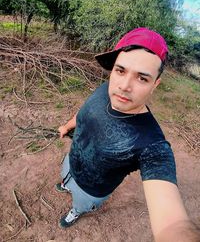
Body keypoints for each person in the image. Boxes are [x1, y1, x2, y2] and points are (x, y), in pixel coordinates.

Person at [56, 27, 200, 241]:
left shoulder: (152, 145)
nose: (124, 86)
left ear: (155, 84)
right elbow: (85, 111)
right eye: (120, 71)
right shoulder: (105, 89)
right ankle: (66, 184)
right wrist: (68, 126)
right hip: (71, 161)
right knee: (66, 178)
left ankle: (77, 210)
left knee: (81, 203)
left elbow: (173, 224)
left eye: (142, 78)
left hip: (91, 190)